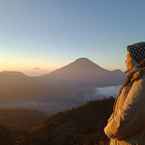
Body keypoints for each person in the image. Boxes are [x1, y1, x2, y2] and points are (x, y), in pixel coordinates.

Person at [104, 42, 145, 145]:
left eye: (128, 56)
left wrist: (108, 129)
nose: (125, 60)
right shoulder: (136, 80)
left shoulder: (141, 83)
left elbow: (127, 120)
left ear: (136, 59)